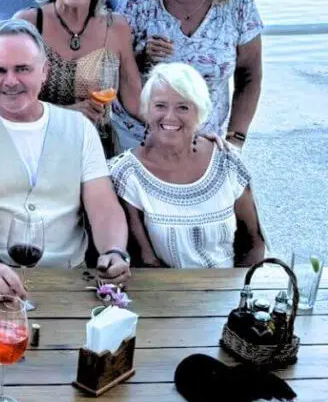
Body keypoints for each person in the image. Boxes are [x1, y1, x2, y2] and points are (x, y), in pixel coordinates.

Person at [0, 19, 131, 299]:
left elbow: (103, 204)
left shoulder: (80, 127)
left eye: (22, 69)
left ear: (44, 72)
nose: (10, 81)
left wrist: (113, 250)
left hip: (69, 279)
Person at [113, 0, 263, 150]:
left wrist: (236, 139)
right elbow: (112, 67)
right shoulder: (139, 0)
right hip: (139, 137)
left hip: (204, 143)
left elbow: (249, 76)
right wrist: (142, 55)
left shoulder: (238, 2)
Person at [109, 63, 265, 268]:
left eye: (183, 107)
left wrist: (241, 294)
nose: (170, 117)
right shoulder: (125, 174)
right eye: (160, 106)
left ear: (199, 113)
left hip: (229, 289)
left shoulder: (226, 160)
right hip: (167, 293)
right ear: (146, 111)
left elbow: (252, 243)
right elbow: (144, 261)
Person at [14, 0, 141, 156]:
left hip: (96, 152)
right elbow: (1, 99)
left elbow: (136, 102)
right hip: (34, 150)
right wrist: (66, 114)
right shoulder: (28, 24)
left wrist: (187, 129)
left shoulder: (117, 27)